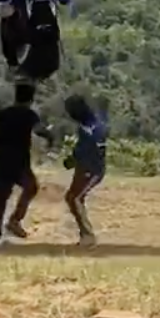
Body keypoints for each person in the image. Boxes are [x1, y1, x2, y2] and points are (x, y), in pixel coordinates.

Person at [0, 82, 54, 245]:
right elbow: (40, 130)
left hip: (1, 160)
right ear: (31, 99)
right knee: (31, 187)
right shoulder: (29, 115)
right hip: (19, 162)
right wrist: (50, 137)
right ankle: (15, 220)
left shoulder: (4, 113)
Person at [63, 93, 107, 247]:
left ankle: (88, 236)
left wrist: (75, 160)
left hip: (92, 170)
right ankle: (85, 235)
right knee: (73, 198)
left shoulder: (90, 128)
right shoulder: (90, 124)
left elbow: (91, 150)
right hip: (86, 168)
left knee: (74, 198)